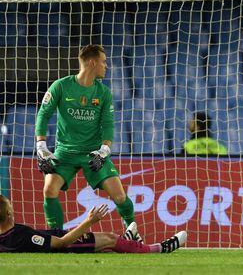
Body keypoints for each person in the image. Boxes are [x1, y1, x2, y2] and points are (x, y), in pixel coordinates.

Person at [35, 45, 136, 236]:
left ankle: (133, 232)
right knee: (49, 190)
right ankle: (57, 237)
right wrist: (41, 146)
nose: (106, 66)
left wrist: (104, 150)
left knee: (120, 196)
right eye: (104, 62)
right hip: (65, 152)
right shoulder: (61, 86)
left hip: (93, 154)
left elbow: (108, 124)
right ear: (92, 62)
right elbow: (43, 114)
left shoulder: (103, 92)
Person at [0, 195, 186, 253]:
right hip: (66, 245)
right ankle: (159, 249)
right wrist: (88, 221)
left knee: (107, 243)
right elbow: (62, 243)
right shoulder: (21, 235)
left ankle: (126, 241)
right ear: (8, 212)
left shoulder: (4, 239)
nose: (12, 205)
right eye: (10, 204)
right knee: (110, 239)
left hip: (56, 237)